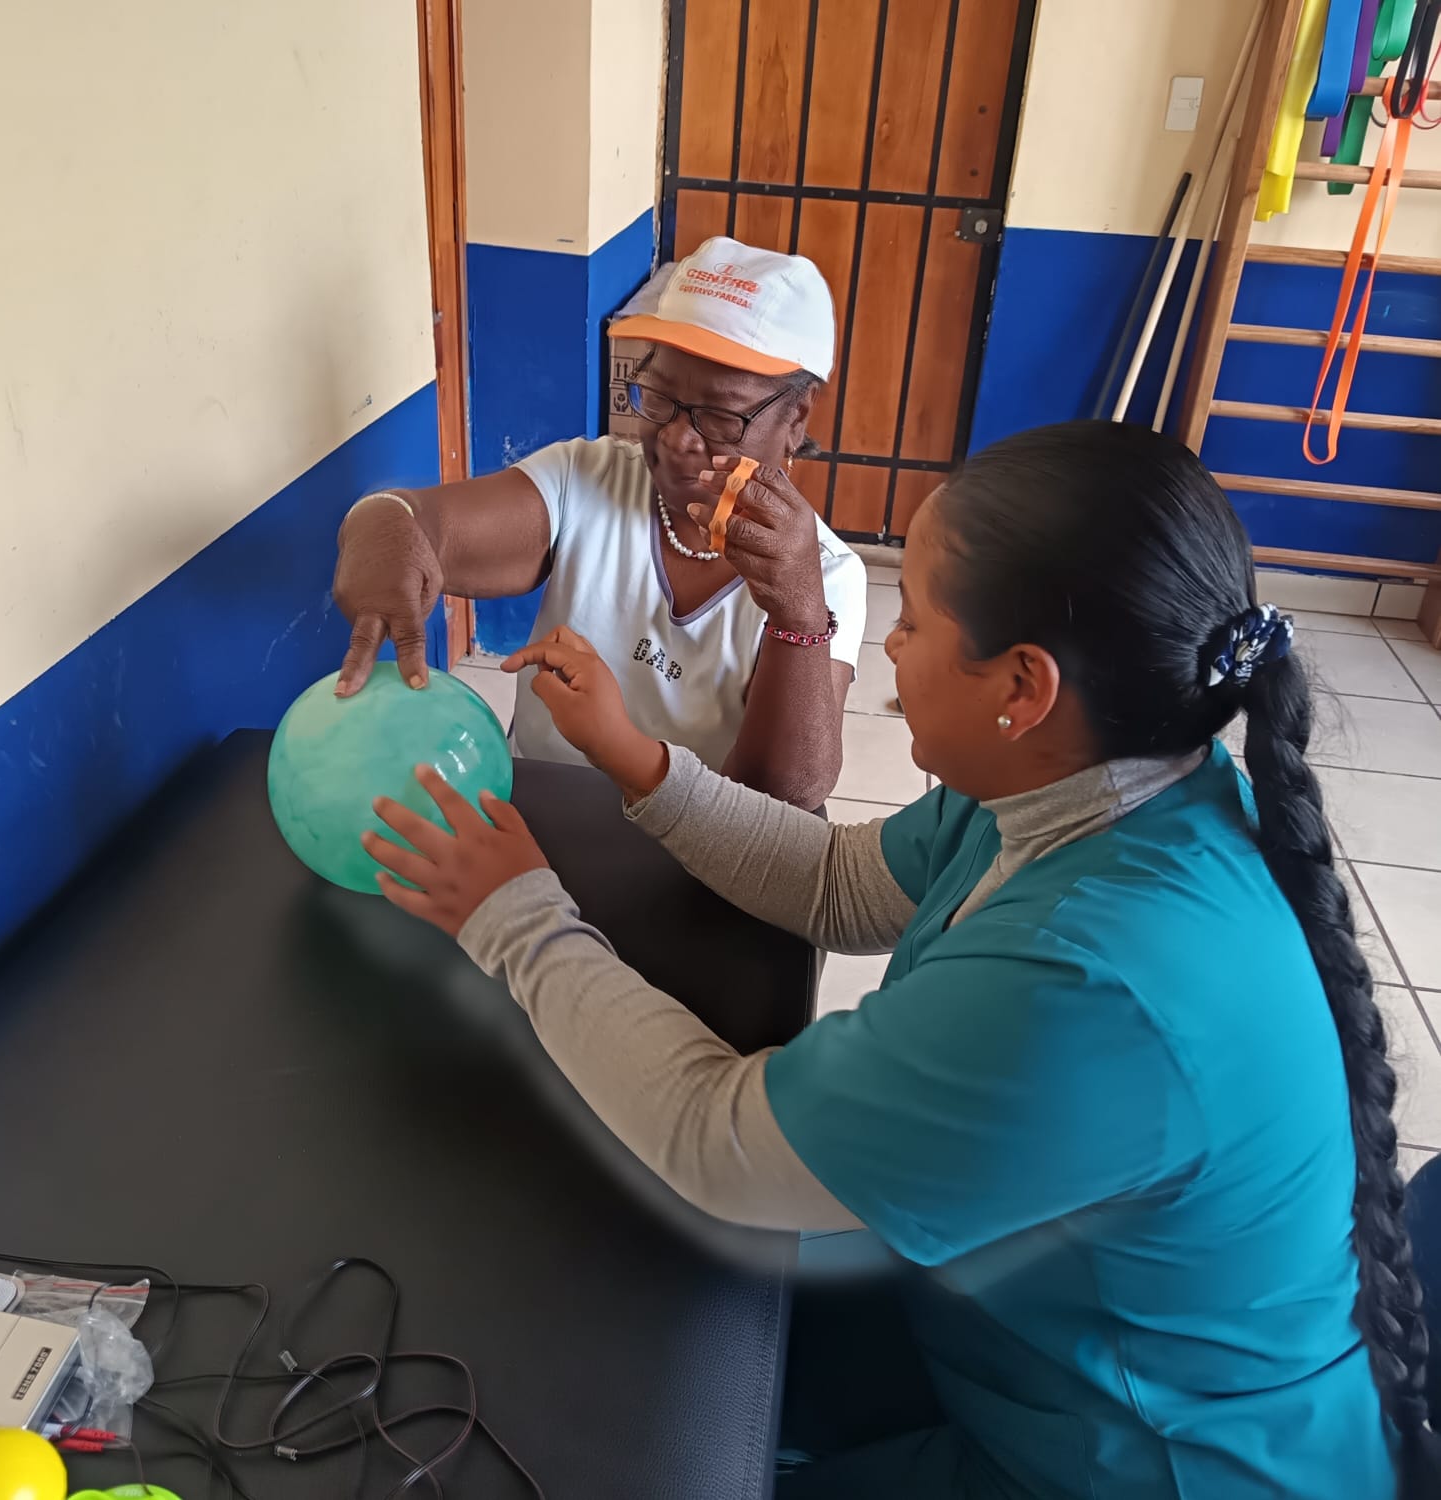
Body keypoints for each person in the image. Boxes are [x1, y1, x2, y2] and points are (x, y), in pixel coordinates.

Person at [357, 421, 1428, 1499]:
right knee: (656, 1328)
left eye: (911, 617)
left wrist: (517, 919)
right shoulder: (1087, 782)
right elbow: (840, 882)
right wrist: (638, 759)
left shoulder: (1096, 983)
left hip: (1138, 1464)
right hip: (1018, 1326)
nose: (891, 647)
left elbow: (715, 1139)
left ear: (1023, 687)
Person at [331, 235, 867, 810]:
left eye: (718, 416)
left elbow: (786, 797)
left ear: (796, 417)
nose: (677, 437)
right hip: (535, 820)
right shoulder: (586, 479)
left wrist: (798, 614)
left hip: (693, 849)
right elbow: (421, 523)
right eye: (659, 396)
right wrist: (382, 527)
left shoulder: (826, 576)